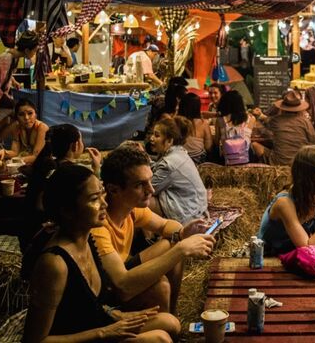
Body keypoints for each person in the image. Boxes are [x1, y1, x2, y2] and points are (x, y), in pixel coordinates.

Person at [21, 164, 177, 342]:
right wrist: (104, 332)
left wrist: (116, 315)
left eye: (102, 193)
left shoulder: (87, 240)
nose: (104, 203)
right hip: (83, 336)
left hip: (97, 325)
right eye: (94, 198)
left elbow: (92, 304)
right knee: (159, 338)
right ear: (67, 210)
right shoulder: (54, 264)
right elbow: (34, 341)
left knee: (170, 322)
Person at [91, 145, 215, 315]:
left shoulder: (129, 206)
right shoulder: (98, 225)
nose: (151, 190)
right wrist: (181, 249)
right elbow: (122, 285)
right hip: (106, 293)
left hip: (122, 269)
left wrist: (182, 233)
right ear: (113, 190)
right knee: (161, 286)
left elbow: (165, 225)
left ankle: (172, 314)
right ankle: (168, 324)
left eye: (150, 181)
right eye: (140, 185)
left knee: (174, 243)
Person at [22, 123, 101, 251]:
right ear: (75, 145)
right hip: (49, 235)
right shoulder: (68, 173)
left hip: (30, 230)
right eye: (81, 140)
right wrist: (97, 169)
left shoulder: (45, 164)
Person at [148, 116, 208, 225]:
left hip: (189, 215)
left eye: (156, 135)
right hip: (198, 208)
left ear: (170, 141)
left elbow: (149, 188)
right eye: (152, 134)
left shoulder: (169, 163)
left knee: (142, 198)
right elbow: (157, 168)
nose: (151, 138)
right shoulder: (179, 152)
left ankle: (151, 236)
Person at [0, 29, 40, 125]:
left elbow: (6, 74)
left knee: (13, 119)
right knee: (20, 118)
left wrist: (14, 82)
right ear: (27, 50)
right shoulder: (6, 58)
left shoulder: (14, 56)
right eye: (34, 51)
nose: (34, 54)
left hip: (2, 96)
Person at [252, 89, 315, 166]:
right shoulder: (306, 122)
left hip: (279, 163)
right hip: (300, 162)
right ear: (299, 109)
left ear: (283, 108)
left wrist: (259, 117)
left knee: (254, 145)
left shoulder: (276, 120)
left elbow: (266, 123)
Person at [0, 98, 49, 165]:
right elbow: (15, 152)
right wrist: (4, 152)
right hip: (25, 164)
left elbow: (36, 156)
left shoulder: (42, 128)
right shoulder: (17, 126)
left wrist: (16, 161)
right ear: (17, 117)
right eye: (21, 114)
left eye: (30, 113)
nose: (26, 118)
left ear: (36, 114)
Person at [214, 89, 258, 164]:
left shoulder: (220, 120)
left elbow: (216, 142)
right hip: (246, 158)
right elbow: (254, 135)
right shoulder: (251, 119)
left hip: (227, 159)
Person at [176, 92, 213, 163]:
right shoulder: (204, 123)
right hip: (198, 159)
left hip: (180, 159)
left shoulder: (175, 121)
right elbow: (208, 147)